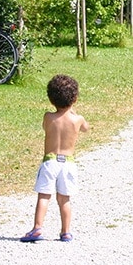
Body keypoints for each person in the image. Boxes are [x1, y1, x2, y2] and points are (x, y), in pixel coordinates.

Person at [20, 74, 91, 243]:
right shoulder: (77, 120)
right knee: (64, 199)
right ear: (75, 98)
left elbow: (45, 128)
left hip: (50, 161)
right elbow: (86, 128)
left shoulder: (48, 117)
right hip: (68, 163)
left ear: (51, 99)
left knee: (44, 195)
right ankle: (66, 232)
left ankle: (37, 227)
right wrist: (73, 111)